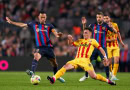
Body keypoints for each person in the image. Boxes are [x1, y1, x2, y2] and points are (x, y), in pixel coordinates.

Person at [6, 11, 65, 83]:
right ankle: (32, 73)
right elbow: (22, 25)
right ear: (38, 18)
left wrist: (59, 35)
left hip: (49, 48)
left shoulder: (49, 25)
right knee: (36, 56)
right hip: (40, 47)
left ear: (46, 18)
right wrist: (11, 22)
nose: (42, 19)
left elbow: (55, 34)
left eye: (44, 17)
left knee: (54, 63)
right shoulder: (34, 24)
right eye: (41, 17)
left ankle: (56, 76)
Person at [47, 27, 116, 85]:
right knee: (65, 66)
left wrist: (105, 57)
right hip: (77, 60)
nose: (84, 34)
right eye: (83, 32)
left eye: (86, 32)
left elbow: (101, 49)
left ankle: (108, 81)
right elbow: (71, 44)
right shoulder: (81, 40)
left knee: (94, 76)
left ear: (90, 33)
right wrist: (70, 39)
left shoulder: (93, 41)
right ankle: (53, 78)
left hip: (86, 61)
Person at [79, 12, 117, 82]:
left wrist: (112, 27)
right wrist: (84, 24)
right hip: (94, 48)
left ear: (102, 18)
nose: (98, 18)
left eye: (99, 17)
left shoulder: (106, 26)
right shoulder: (93, 25)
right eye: (97, 17)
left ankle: (108, 78)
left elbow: (115, 32)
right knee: (87, 61)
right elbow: (85, 31)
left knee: (105, 62)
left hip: (102, 47)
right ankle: (86, 75)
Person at [104, 15, 125, 80]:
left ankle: (113, 75)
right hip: (108, 46)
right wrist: (109, 40)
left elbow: (118, 33)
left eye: (107, 18)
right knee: (109, 62)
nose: (106, 20)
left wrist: (121, 41)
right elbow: (103, 38)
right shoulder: (103, 27)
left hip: (115, 45)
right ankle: (111, 73)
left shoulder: (115, 24)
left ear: (109, 19)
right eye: (104, 19)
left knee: (116, 60)